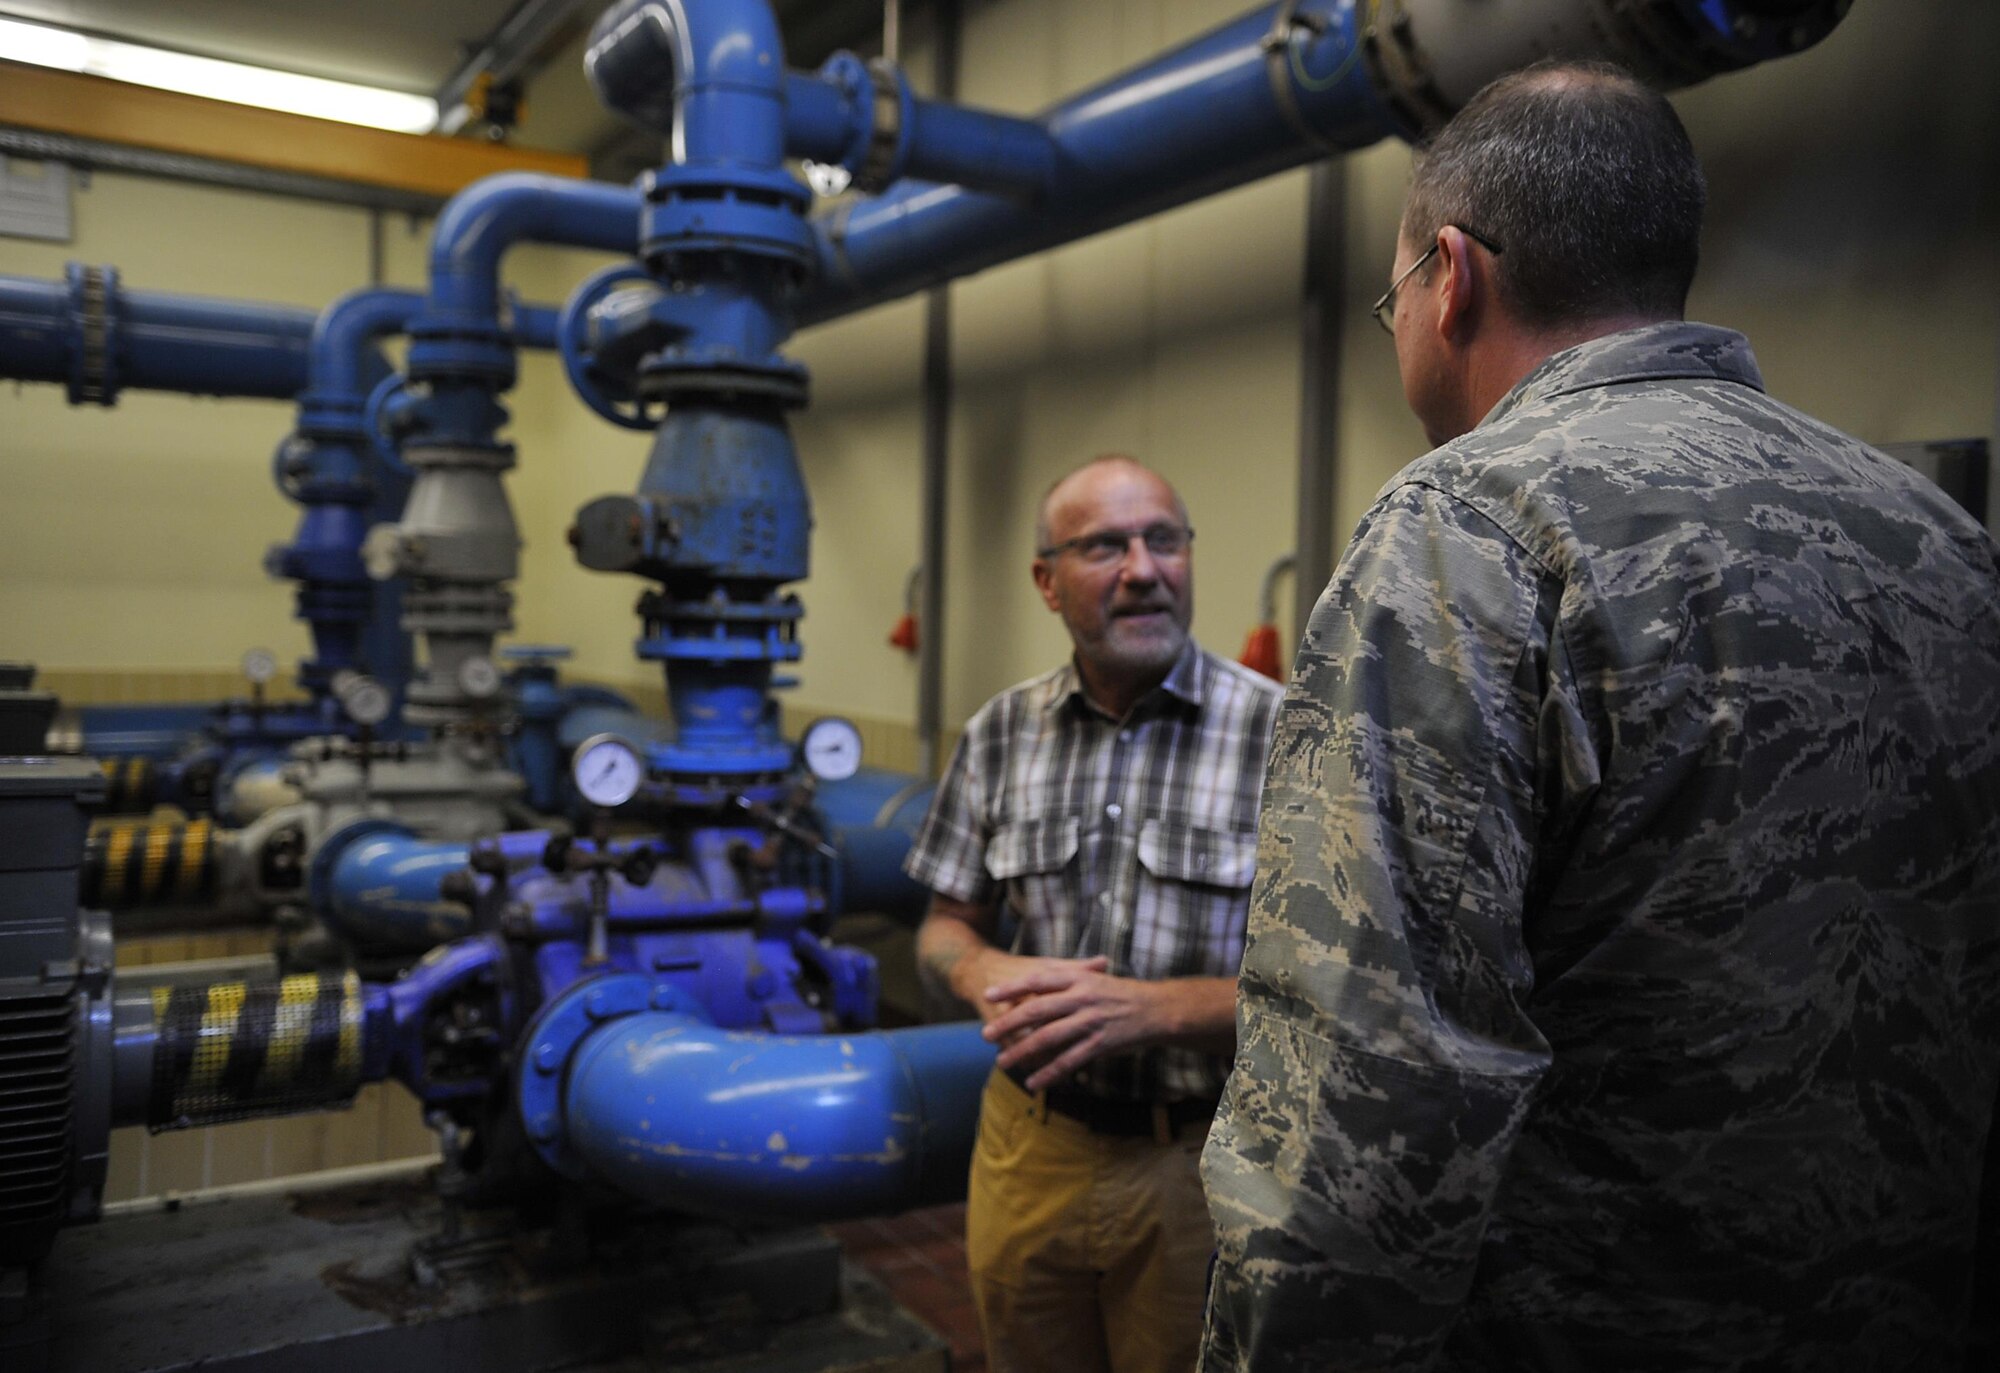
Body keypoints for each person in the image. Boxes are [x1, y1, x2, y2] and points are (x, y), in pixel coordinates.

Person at [1200, 60, 2000, 1372]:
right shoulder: (1939, 539)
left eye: (1390, 297)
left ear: (1450, 277)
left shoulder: (1465, 529)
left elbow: (1373, 1087)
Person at [903, 454, 1282, 1373]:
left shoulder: (1287, 732)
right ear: (1046, 580)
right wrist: (978, 968)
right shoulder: (1000, 731)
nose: (1143, 568)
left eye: (1164, 541)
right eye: (1105, 546)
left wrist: (1156, 1010)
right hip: (1028, 1147)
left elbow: (1343, 985)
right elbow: (942, 924)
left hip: (1205, 1158)